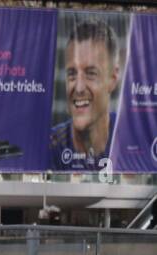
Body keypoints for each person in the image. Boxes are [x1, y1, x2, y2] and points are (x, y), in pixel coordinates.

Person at [49, 18, 121, 172]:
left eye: (90, 73)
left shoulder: (131, 140)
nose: (79, 87)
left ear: (113, 79)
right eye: (72, 74)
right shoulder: (49, 146)